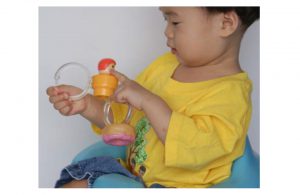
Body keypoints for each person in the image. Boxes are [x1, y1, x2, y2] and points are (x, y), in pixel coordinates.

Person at [47, 7, 259, 188]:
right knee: (75, 182)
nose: (166, 32)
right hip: (135, 173)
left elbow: (198, 148)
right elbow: (125, 121)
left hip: (180, 185)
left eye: (175, 21)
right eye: (165, 20)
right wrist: (87, 104)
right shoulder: (165, 66)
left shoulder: (230, 94)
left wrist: (148, 101)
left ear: (226, 23)